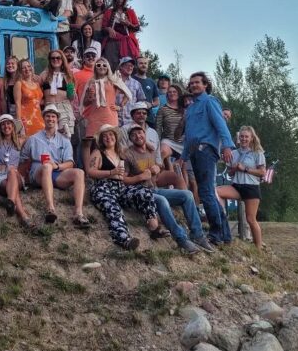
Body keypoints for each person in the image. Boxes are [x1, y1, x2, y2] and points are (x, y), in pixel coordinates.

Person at [87, 125, 199, 253]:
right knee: (113, 209)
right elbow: (90, 171)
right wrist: (111, 172)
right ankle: (124, 240)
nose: (108, 138)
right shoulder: (98, 153)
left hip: (119, 188)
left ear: (116, 137)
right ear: (101, 140)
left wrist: (149, 147)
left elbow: (137, 149)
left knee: (144, 192)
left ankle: (154, 227)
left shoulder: (121, 152)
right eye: (105, 136)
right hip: (102, 187)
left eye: (111, 135)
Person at [124, 124, 215, 252]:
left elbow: (159, 166)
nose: (138, 136)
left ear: (145, 134)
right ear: (130, 139)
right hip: (140, 193)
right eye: (133, 135)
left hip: (153, 189)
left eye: (140, 133)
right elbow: (123, 179)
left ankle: (197, 234)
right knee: (162, 200)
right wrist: (140, 177)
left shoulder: (151, 150)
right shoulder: (128, 155)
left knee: (187, 195)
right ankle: (181, 239)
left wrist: (158, 168)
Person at [183, 72, 236, 245]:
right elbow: (189, 135)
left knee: (205, 192)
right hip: (194, 152)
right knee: (209, 193)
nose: (194, 85)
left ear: (205, 85)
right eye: (191, 83)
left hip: (206, 150)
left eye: (198, 82)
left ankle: (215, 234)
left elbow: (220, 124)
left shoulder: (210, 101)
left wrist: (227, 145)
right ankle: (225, 235)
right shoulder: (190, 109)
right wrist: (183, 157)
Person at [22, 106, 89, 227]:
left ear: (57, 119)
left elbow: (70, 162)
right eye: (48, 116)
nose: (50, 119)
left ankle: (78, 213)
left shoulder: (64, 140)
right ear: (43, 118)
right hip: (38, 172)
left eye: (53, 116)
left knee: (79, 172)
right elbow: (23, 159)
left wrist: (57, 166)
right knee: (47, 166)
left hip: (56, 172)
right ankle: (50, 208)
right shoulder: (33, 138)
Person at [216, 126, 267, 249]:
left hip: (251, 188)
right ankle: (223, 215)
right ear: (238, 138)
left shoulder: (257, 153)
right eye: (242, 136)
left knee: (250, 219)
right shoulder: (234, 153)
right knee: (216, 191)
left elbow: (262, 172)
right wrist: (234, 169)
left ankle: (258, 248)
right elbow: (229, 173)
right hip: (237, 186)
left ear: (251, 138)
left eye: (246, 137)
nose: (244, 139)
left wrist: (245, 169)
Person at [79, 58, 132, 161]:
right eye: (98, 65)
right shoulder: (91, 82)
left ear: (108, 67)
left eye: (104, 65)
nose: (101, 67)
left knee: (111, 143)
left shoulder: (113, 80)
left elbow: (128, 94)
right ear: (95, 67)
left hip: (109, 116)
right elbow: (85, 102)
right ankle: (91, 171)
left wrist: (120, 106)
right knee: (92, 144)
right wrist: (89, 98)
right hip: (94, 117)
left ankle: (112, 168)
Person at [0, 114, 32, 226]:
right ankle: (24, 216)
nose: (6, 126)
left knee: (12, 171)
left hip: (14, 174)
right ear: (0, 128)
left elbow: (33, 138)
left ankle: (12, 203)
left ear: (13, 126)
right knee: (12, 190)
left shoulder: (19, 140)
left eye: (8, 123)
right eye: (3, 124)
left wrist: (22, 126)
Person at [40, 49, 76, 140]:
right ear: (49, 60)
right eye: (53, 58)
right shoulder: (44, 75)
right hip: (49, 108)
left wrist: (71, 91)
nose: (55, 60)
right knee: (49, 137)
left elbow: (71, 97)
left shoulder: (68, 75)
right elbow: (37, 92)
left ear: (62, 59)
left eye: (58, 58)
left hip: (64, 107)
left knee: (66, 137)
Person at [101, 0, 141, 70]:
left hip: (127, 41)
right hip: (112, 41)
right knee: (110, 63)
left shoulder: (130, 12)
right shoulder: (108, 12)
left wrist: (128, 24)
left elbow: (137, 27)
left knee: (128, 63)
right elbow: (103, 28)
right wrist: (108, 29)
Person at [156, 83, 187, 165]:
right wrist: (157, 144)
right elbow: (158, 129)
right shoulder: (162, 109)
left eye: (174, 92)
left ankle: (174, 174)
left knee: (183, 168)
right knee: (162, 153)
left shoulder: (185, 109)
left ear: (179, 94)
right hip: (168, 141)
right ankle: (158, 174)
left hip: (184, 142)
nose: (172, 93)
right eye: (169, 92)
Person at [13, 58, 44, 136]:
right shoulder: (19, 83)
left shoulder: (37, 84)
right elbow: (17, 104)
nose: (27, 69)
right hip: (25, 119)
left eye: (28, 66)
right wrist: (19, 124)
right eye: (23, 68)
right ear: (20, 71)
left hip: (38, 118)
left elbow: (38, 102)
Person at [115, 57, 147, 125]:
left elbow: (141, 102)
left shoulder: (136, 83)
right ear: (121, 66)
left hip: (131, 121)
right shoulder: (113, 81)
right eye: (127, 65)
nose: (130, 68)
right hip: (114, 119)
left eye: (132, 66)